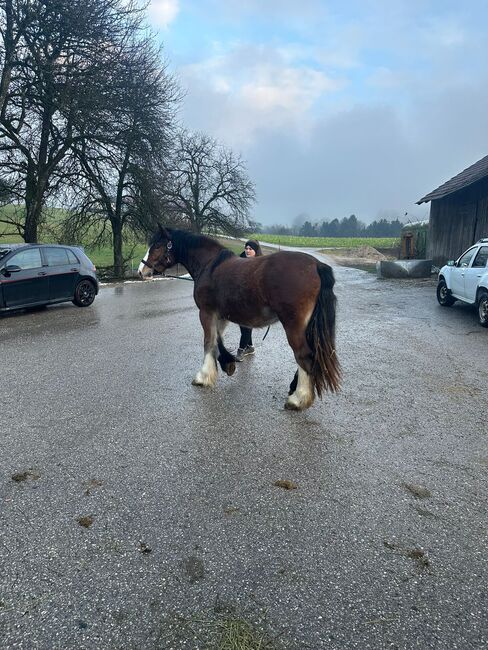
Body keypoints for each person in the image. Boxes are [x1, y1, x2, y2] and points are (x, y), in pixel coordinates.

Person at [236, 239, 263, 361]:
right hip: (239, 299)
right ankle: (250, 347)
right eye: (246, 248)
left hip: (253, 301)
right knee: (243, 325)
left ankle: (241, 350)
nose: (247, 250)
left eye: (250, 249)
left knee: (246, 324)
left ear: (255, 251)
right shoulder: (239, 261)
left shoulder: (261, 264)